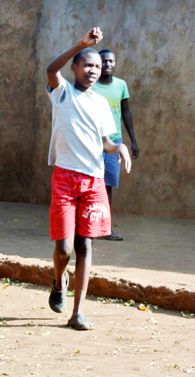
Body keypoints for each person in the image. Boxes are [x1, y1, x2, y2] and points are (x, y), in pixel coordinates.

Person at [45, 27, 132, 331]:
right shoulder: (62, 92)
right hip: (65, 179)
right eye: (87, 64)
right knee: (64, 249)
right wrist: (80, 44)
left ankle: (77, 312)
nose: (93, 70)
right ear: (75, 68)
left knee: (85, 247)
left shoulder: (101, 104)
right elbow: (50, 68)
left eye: (97, 66)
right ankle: (58, 282)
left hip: (93, 183)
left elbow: (106, 141)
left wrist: (118, 146)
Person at [92, 48, 140, 241]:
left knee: (108, 185)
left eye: (111, 61)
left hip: (115, 141)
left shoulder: (121, 85)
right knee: (91, 183)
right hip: (93, 142)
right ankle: (87, 226)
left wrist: (133, 140)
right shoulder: (91, 85)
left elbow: (126, 112)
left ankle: (105, 228)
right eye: (104, 61)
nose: (108, 65)